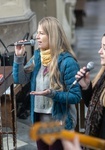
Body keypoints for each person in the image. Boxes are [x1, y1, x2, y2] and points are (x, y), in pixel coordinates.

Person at [13, 16, 81, 150]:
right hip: (40, 123)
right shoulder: (37, 57)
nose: (37, 37)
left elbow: (75, 96)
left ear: (52, 36)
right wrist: (18, 57)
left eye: (41, 33)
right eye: (37, 33)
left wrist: (52, 94)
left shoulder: (67, 62)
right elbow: (20, 79)